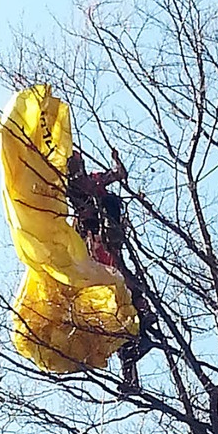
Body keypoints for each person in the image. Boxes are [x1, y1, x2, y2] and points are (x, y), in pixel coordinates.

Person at [66, 149, 154, 388]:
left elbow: (119, 174)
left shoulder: (92, 182)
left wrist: (116, 160)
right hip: (98, 247)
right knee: (116, 312)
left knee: (119, 294)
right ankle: (131, 375)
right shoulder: (76, 187)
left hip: (103, 244)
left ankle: (142, 314)